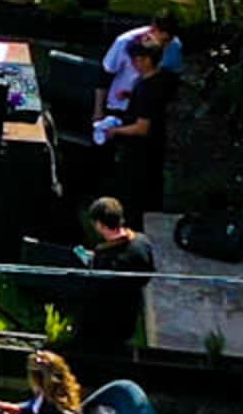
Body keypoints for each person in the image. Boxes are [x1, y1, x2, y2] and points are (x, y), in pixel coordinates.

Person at [92, 21, 180, 220]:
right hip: (156, 143)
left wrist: (115, 131)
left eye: (136, 60)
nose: (132, 64)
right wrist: (130, 97)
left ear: (146, 60)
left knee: (136, 190)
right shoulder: (157, 80)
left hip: (142, 150)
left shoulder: (146, 89)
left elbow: (142, 128)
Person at [61, 195, 155, 373]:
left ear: (100, 225)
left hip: (104, 323)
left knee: (96, 364)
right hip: (130, 315)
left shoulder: (109, 258)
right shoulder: (142, 243)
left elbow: (96, 291)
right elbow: (147, 274)